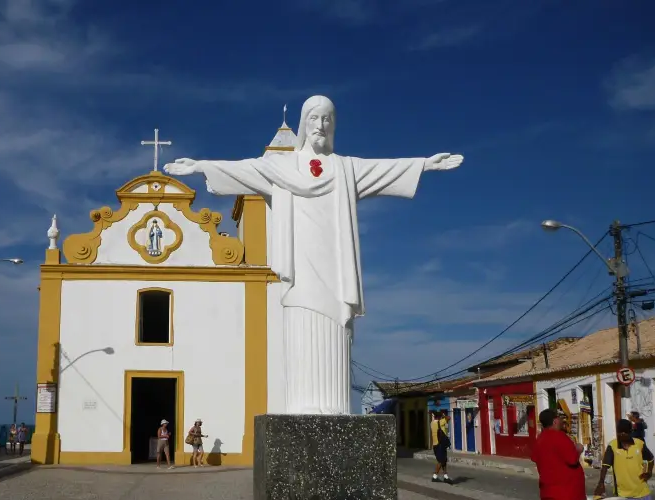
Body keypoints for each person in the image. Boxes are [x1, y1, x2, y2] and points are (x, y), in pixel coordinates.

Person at [163, 96, 462, 416]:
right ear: (305, 124)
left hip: (334, 265)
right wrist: (201, 166)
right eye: (315, 118)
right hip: (300, 264)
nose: (321, 125)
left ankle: (334, 406)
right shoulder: (279, 167)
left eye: (327, 119)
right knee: (302, 323)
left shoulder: (345, 168)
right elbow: (242, 169)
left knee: (335, 327)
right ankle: (302, 405)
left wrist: (425, 164)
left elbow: (384, 169)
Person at [431, 412, 451, 484]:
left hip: (435, 445)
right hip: (440, 444)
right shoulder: (440, 422)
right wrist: (444, 415)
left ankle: (445, 476)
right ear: (439, 417)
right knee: (441, 460)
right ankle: (434, 476)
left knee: (444, 460)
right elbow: (449, 418)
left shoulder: (432, 423)